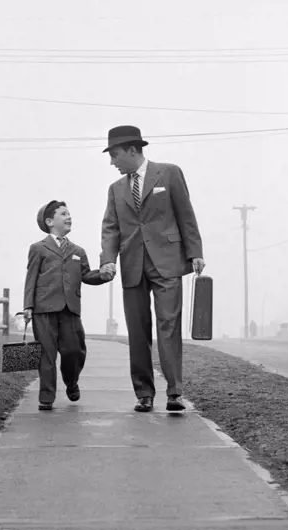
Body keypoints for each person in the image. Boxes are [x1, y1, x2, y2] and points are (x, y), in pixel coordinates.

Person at [99, 125, 205, 413]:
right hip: (132, 265)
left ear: (133, 150)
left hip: (167, 263)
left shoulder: (169, 173)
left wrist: (195, 252)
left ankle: (174, 393)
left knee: (168, 326)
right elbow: (110, 229)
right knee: (137, 331)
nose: (112, 161)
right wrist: (108, 260)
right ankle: (144, 393)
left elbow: (186, 214)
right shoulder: (115, 190)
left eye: (115, 154)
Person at [24, 200, 112, 411]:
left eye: (69, 213)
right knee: (46, 354)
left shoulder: (78, 251)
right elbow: (31, 278)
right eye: (63, 213)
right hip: (43, 309)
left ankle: (71, 382)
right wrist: (28, 306)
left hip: (70, 310)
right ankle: (46, 397)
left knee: (74, 351)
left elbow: (86, 276)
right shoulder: (38, 248)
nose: (68, 216)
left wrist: (103, 275)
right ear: (49, 221)